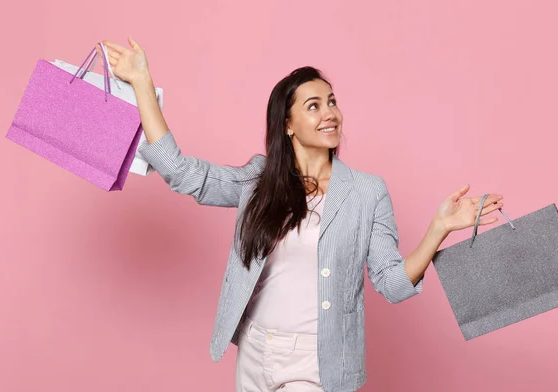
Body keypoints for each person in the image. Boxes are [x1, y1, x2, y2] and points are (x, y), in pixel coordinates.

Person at [98, 37, 504, 392]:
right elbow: (183, 173)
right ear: (288, 125)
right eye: (314, 106)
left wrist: (439, 228)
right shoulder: (258, 180)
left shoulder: (366, 192)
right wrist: (142, 84)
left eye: (332, 102)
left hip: (318, 358)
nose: (329, 113)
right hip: (256, 349)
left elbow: (394, 284)